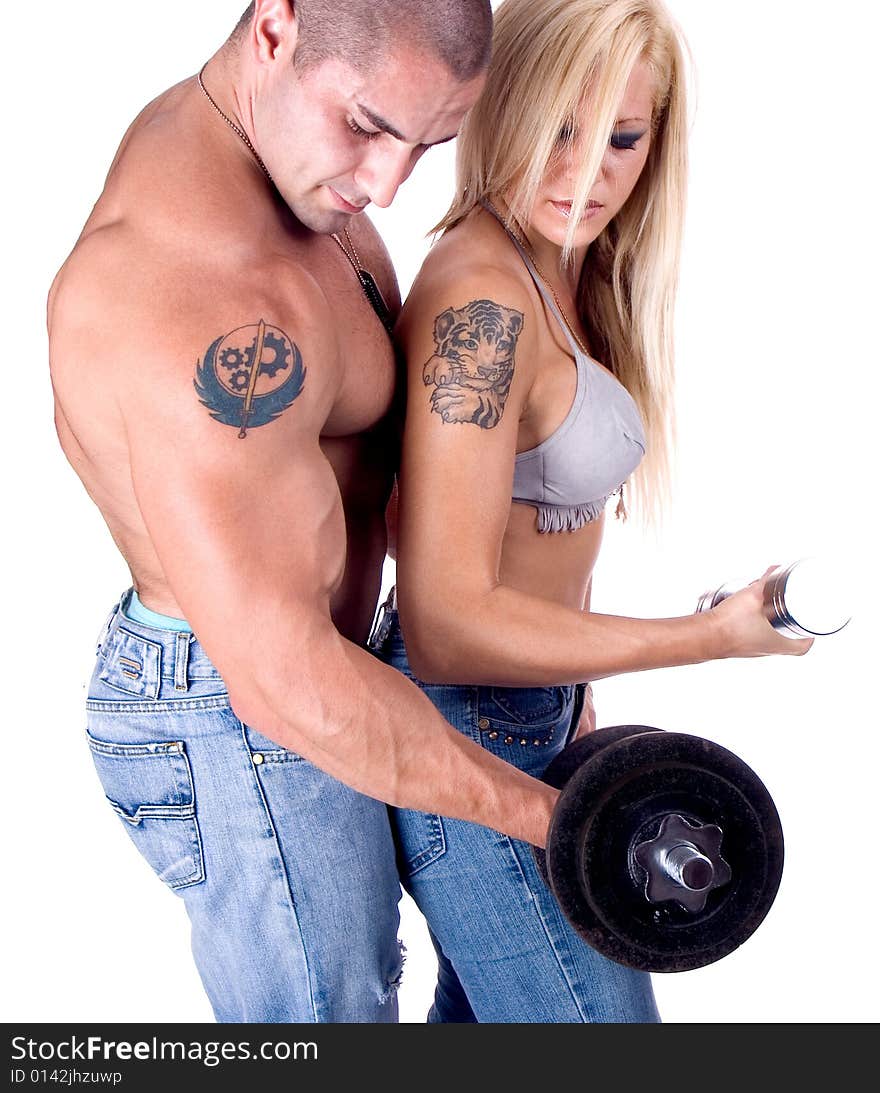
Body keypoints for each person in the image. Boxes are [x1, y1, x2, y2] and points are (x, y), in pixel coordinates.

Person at [371, 0, 813, 1022]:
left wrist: (570, 692)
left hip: (536, 712)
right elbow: (443, 625)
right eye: (558, 127)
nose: (589, 171)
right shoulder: (480, 301)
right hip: (472, 740)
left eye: (624, 137)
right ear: (503, 109)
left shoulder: (559, 268)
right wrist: (709, 637)